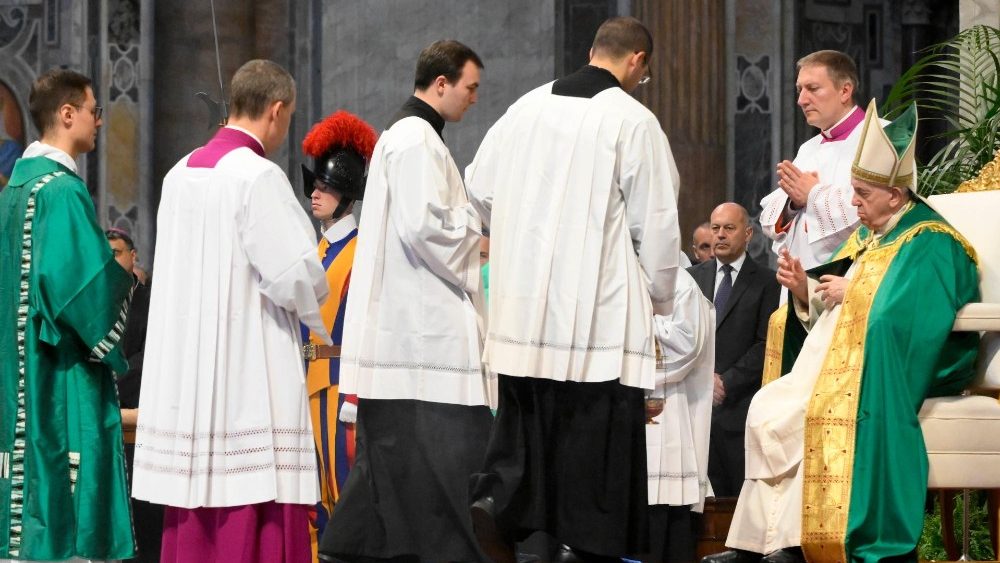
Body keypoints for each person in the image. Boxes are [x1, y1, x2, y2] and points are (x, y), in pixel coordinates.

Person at [705, 100, 980, 563]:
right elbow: (836, 298)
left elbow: (909, 317)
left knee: (808, 413)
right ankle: (758, 541)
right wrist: (804, 292)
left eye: (862, 194)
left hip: (878, 367)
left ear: (895, 195)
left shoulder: (930, 240)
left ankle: (802, 542)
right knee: (769, 406)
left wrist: (854, 290)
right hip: (835, 360)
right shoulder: (872, 236)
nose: (853, 204)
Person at [465, 16, 681, 561]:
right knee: (594, 459)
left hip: (522, 314)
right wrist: (657, 298)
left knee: (527, 437)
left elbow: (479, 189)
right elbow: (656, 224)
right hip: (597, 318)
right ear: (637, 62)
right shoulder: (633, 120)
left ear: (591, 51)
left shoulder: (524, 108)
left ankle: (500, 504)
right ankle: (583, 548)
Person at [132, 59, 330, 563]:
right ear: (277, 110)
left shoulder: (179, 174)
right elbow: (295, 276)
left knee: (196, 508)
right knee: (252, 503)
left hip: (189, 378)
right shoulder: (257, 176)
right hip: (247, 374)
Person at [318, 40, 494, 563]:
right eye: (470, 87)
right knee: (443, 478)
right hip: (423, 345)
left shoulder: (412, 137)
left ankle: (347, 550)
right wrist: (481, 233)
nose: (474, 99)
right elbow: (426, 227)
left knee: (397, 480)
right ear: (441, 84)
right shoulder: (415, 139)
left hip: (410, 344)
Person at [0, 68, 135, 561]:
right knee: (69, 527)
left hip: (19, 375)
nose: (100, 122)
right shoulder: (61, 191)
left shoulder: (12, 194)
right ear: (67, 113)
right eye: (95, 111)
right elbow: (83, 296)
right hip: (61, 377)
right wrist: (126, 284)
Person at [298, 109, 377, 559]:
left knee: (342, 499)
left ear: (347, 195)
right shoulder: (318, 248)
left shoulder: (360, 250)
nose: (315, 193)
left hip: (339, 385)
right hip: (309, 383)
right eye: (315, 184)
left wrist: (354, 397)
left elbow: (365, 326)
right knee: (311, 502)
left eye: (325, 187)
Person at [687, 203, 779, 497]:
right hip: (693, 409)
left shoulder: (768, 281)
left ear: (748, 233)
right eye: (716, 228)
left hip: (739, 409)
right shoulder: (690, 279)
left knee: (737, 501)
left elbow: (766, 344)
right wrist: (701, 379)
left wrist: (725, 382)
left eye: (729, 228)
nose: (721, 235)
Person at [759, 50, 867, 271]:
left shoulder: (879, 137)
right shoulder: (809, 148)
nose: (801, 100)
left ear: (845, 90)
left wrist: (812, 195)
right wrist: (793, 204)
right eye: (799, 90)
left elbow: (877, 215)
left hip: (850, 278)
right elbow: (769, 220)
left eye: (813, 89)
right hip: (799, 280)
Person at [642, 262, 715, 563]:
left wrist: (639, 324)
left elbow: (688, 344)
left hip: (667, 405)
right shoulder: (619, 273)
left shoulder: (680, 282)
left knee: (666, 514)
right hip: (620, 407)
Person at [106, 226, 164, 563]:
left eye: (116, 253)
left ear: (133, 256)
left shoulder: (151, 300)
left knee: (142, 505)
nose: (111, 261)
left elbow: (153, 353)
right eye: (106, 255)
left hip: (140, 411)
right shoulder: (94, 299)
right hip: (107, 412)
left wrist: (116, 377)